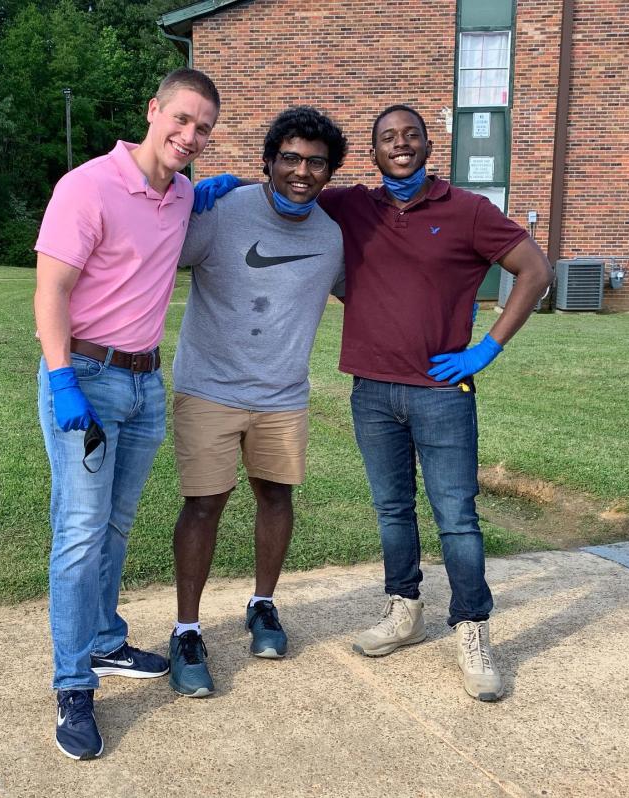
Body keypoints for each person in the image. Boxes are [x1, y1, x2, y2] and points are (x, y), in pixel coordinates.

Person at [194, 104, 552, 703]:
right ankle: (404, 609)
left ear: (428, 146)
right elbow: (290, 190)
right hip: (373, 390)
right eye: (388, 137)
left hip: (442, 390)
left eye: (411, 135)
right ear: (373, 152)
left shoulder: (466, 211)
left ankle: (472, 628)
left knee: (457, 518)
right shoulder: (352, 206)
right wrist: (228, 185)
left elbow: (535, 270)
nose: (400, 144)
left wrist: (485, 348)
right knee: (392, 512)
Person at [33, 68, 220, 759]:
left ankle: (106, 641)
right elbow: (51, 289)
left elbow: (192, 213)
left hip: (144, 386)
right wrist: (61, 384)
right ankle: (73, 686)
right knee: (79, 534)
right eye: (181, 119)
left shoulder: (182, 195)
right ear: (154, 111)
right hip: (83, 376)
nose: (189, 135)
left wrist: (213, 192)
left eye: (203, 128)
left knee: (114, 526)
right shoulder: (88, 186)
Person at [167, 106, 347, 698]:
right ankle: (187, 630)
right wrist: (189, 197)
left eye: (316, 163)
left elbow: (375, 291)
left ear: (329, 172)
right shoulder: (225, 212)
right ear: (267, 161)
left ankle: (263, 605)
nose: (302, 171)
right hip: (209, 388)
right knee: (203, 506)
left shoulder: (330, 236)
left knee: (276, 496)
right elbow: (158, 253)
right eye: (290, 158)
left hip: (283, 395)